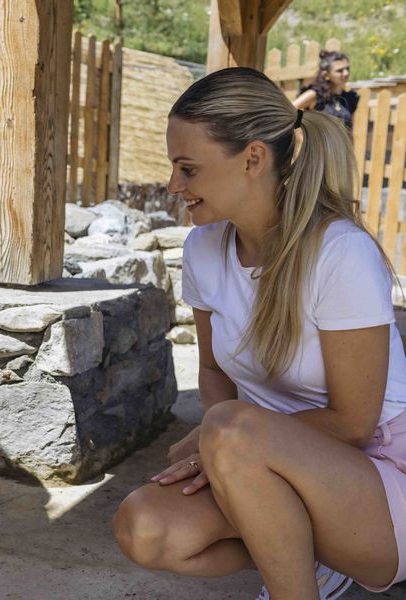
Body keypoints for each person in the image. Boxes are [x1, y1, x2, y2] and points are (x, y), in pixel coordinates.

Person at [112, 67, 406, 600]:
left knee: (228, 429)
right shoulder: (204, 248)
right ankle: (306, 555)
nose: (174, 186)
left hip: (380, 472)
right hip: (264, 460)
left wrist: (221, 439)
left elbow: (354, 423)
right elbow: (211, 370)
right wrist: (227, 448)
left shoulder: (340, 252)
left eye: (188, 168)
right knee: (145, 527)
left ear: (252, 158)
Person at [293, 50, 359, 129]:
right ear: (326, 75)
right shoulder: (315, 95)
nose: (346, 73)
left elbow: (350, 130)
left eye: (347, 69)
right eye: (339, 71)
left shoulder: (350, 98)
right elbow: (287, 112)